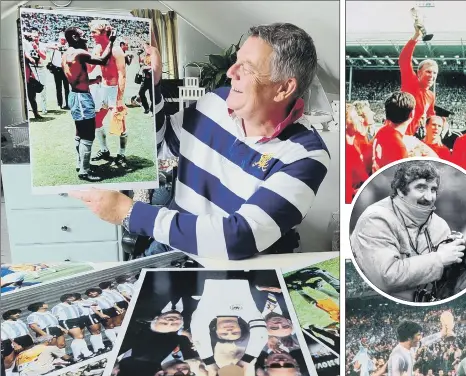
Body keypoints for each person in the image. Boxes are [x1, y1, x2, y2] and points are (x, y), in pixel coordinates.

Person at [69, 23, 330, 260]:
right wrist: (153, 83)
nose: (231, 72)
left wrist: (129, 213)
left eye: (246, 68)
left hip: (238, 268)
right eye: (236, 61)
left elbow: (240, 238)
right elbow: (162, 144)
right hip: (170, 249)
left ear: (284, 88)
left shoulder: (306, 156)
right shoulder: (216, 102)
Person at [350, 161, 466, 302]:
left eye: (433, 190)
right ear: (400, 191)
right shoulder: (376, 219)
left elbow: (442, 280)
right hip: (373, 301)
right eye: (421, 188)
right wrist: (439, 258)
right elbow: (385, 278)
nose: (429, 197)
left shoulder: (440, 225)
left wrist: (462, 264)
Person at [62, 25, 115, 182]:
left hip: (74, 95)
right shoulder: (79, 52)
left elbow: (76, 78)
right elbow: (103, 60)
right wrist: (111, 41)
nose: (86, 37)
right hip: (81, 98)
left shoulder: (67, 54)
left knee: (79, 132)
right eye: (82, 35)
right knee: (88, 134)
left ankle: (80, 164)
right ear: (75, 38)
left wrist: (93, 81)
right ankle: (84, 172)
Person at [190, 279, 268, 376]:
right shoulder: (249, 311)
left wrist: (210, 365)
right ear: (240, 327)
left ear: (215, 330)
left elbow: (198, 332)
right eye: (235, 333)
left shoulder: (205, 313)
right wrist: (246, 361)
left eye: (224, 334)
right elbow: (260, 336)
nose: (229, 330)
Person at [88, 20, 129, 169]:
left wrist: (119, 98)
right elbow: (90, 69)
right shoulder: (97, 47)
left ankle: (122, 153)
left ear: (104, 33)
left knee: (119, 123)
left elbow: (122, 75)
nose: (91, 35)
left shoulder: (116, 50)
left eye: (94, 32)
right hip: (102, 88)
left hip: (113, 89)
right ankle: (104, 150)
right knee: (96, 121)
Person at [399, 22, 437, 136]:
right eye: (428, 72)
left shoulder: (431, 95)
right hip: (401, 135)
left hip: (414, 137)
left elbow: (431, 115)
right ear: (419, 73)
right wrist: (416, 35)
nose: (432, 75)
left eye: (435, 73)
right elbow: (404, 60)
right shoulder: (411, 82)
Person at [51, 293, 93, 360]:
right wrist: (60, 327)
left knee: (81, 337)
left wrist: (82, 300)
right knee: (78, 337)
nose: (74, 299)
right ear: (66, 299)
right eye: (72, 297)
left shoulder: (75, 304)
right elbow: (54, 318)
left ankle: (85, 353)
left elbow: (91, 304)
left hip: (77, 319)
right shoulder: (58, 307)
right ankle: (77, 356)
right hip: (68, 321)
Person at [24, 28, 48, 115]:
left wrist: (37, 48)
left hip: (41, 68)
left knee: (43, 89)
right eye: (34, 37)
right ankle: (33, 108)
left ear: (39, 36)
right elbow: (26, 54)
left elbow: (44, 57)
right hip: (32, 68)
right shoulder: (28, 45)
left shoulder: (42, 45)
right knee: (32, 89)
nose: (35, 38)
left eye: (37, 37)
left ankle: (44, 108)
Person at [49, 32, 70, 110]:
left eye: (64, 40)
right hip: (57, 69)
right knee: (58, 87)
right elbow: (47, 46)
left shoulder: (68, 47)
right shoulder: (55, 45)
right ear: (59, 40)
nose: (63, 41)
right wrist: (57, 47)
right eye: (62, 40)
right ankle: (60, 104)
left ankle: (67, 104)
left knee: (66, 87)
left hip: (65, 69)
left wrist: (66, 48)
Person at [138, 42, 153, 114]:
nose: (145, 49)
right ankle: (146, 108)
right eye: (144, 48)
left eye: (146, 47)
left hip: (151, 78)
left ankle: (152, 109)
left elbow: (153, 66)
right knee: (141, 93)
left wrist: (146, 67)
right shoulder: (145, 56)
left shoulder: (152, 56)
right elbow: (141, 63)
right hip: (145, 78)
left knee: (152, 95)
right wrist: (139, 56)